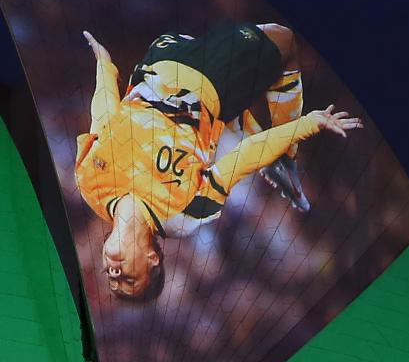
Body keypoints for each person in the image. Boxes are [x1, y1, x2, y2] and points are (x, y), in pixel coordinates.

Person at [74, 22, 361, 300]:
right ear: (152, 260)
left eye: (111, 277)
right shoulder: (184, 216)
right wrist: (310, 123)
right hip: (213, 77)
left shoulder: (89, 185)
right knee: (284, 40)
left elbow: (103, 119)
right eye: (128, 279)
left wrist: (104, 64)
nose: (114, 272)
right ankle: (284, 155)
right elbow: (240, 159)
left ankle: (248, 127)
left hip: (157, 59)